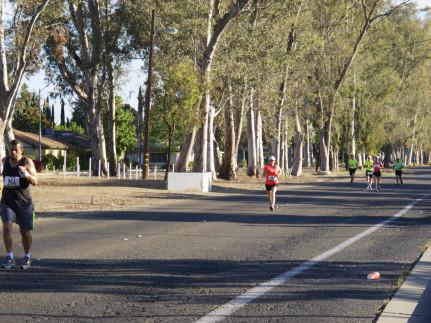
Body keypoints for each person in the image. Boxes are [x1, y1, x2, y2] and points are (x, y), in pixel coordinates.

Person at [1, 140, 38, 269]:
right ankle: (10, 257)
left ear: (21, 150)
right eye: (11, 150)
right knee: (6, 227)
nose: (13, 152)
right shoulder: (4, 162)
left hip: (24, 203)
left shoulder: (27, 162)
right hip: (8, 202)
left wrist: (26, 174)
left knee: (25, 232)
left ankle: (27, 255)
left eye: (16, 150)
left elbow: (36, 181)